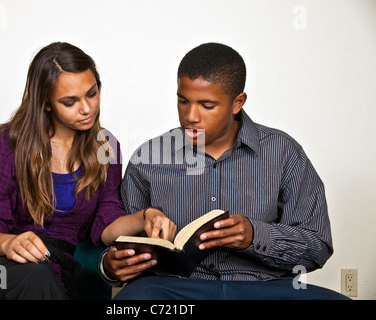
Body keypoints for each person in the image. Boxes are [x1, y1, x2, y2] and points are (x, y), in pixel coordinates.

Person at [101, 42, 349, 300]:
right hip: (176, 289)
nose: (191, 116)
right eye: (183, 101)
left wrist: (255, 235)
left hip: (265, 289)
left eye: (207, 105)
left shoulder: (284, 152)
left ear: (237, 102)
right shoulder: (148, 158)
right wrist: (110, 265)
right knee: (133, 300)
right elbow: (118, 240)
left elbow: (317, 246)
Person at [0, 42, 174, 300]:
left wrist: (147, 215)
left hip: (52, 272)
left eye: (92, 94)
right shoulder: (6, 143)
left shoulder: (105, 148)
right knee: (36, 275)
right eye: (70, 102)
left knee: (43, 277)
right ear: (46, 103)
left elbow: (106, 223)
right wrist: (9, 243)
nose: (86, 108)